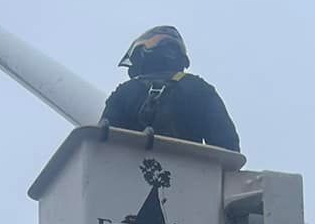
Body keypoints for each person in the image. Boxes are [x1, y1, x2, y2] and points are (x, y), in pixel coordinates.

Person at [100, 25, 240, 153]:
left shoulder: (126, 91)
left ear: (142, 55)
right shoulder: (199, 88)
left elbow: (101, 144)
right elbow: (228, 147)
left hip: (127, 176)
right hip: (190, 177)